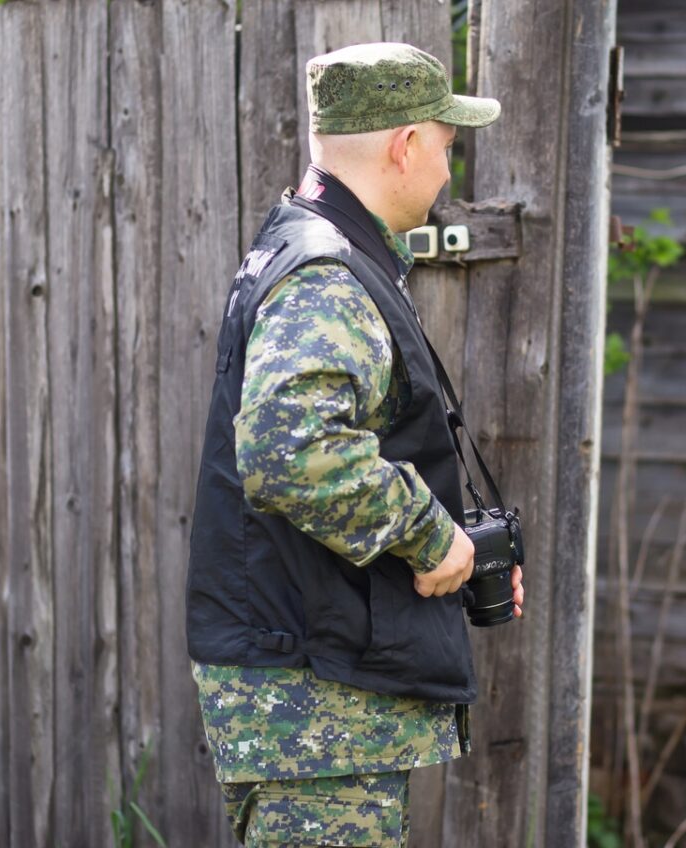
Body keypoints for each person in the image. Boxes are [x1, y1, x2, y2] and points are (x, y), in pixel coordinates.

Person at [185, 42, 524, 847]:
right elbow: (289, 445)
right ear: (405, 144)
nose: (448, 171)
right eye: (447, 146)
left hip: (322, 692)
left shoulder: (313, 248)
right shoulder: (326, 273)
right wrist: (433, 535)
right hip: (315, 702)